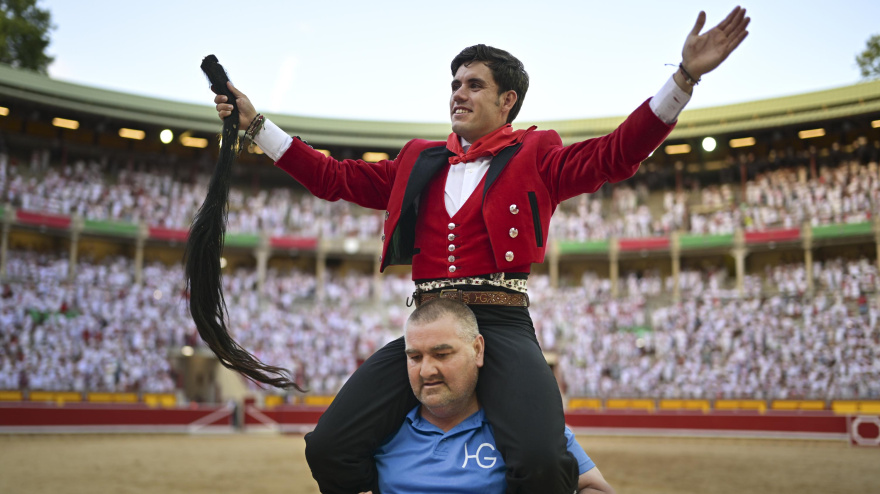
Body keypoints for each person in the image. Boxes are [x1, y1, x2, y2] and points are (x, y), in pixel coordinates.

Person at [213, 7, 749, 493]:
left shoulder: (539, 153)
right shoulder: (417, 159)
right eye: (454, 84)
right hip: (428, 325)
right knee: (327, 446)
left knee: (541, 462)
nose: (458, 94)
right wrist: (256, 125)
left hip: (501, 323)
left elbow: (616, 153)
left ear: (507, 99)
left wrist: (683, 79)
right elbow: (332, 177)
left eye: (474, 84)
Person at [360, 298, 614, 494]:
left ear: (477, 350)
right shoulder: (378, 431)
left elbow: (596, 487)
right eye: (415, 357)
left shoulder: (527, 427)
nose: (426, 370)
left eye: (442, 354)